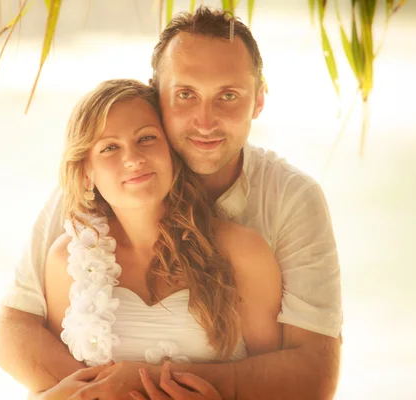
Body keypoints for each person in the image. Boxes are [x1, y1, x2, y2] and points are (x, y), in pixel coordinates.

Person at [0, 6, 343, 400]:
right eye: (185, 95)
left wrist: (140, 383)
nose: (205, 121)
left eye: (228, 95)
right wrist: (100, 392)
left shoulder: (289, 201)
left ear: (258, 100)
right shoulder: (99, 190)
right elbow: (14, 328)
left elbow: (314, 375)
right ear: (157, 98)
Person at [35, 78, 282, 399]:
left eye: (146, 138)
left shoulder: (242, 252)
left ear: (171, 151)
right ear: (85, 172)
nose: (133, 158)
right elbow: (52, 389)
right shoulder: (68, 260)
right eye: (110, 147)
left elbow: (278, 387)